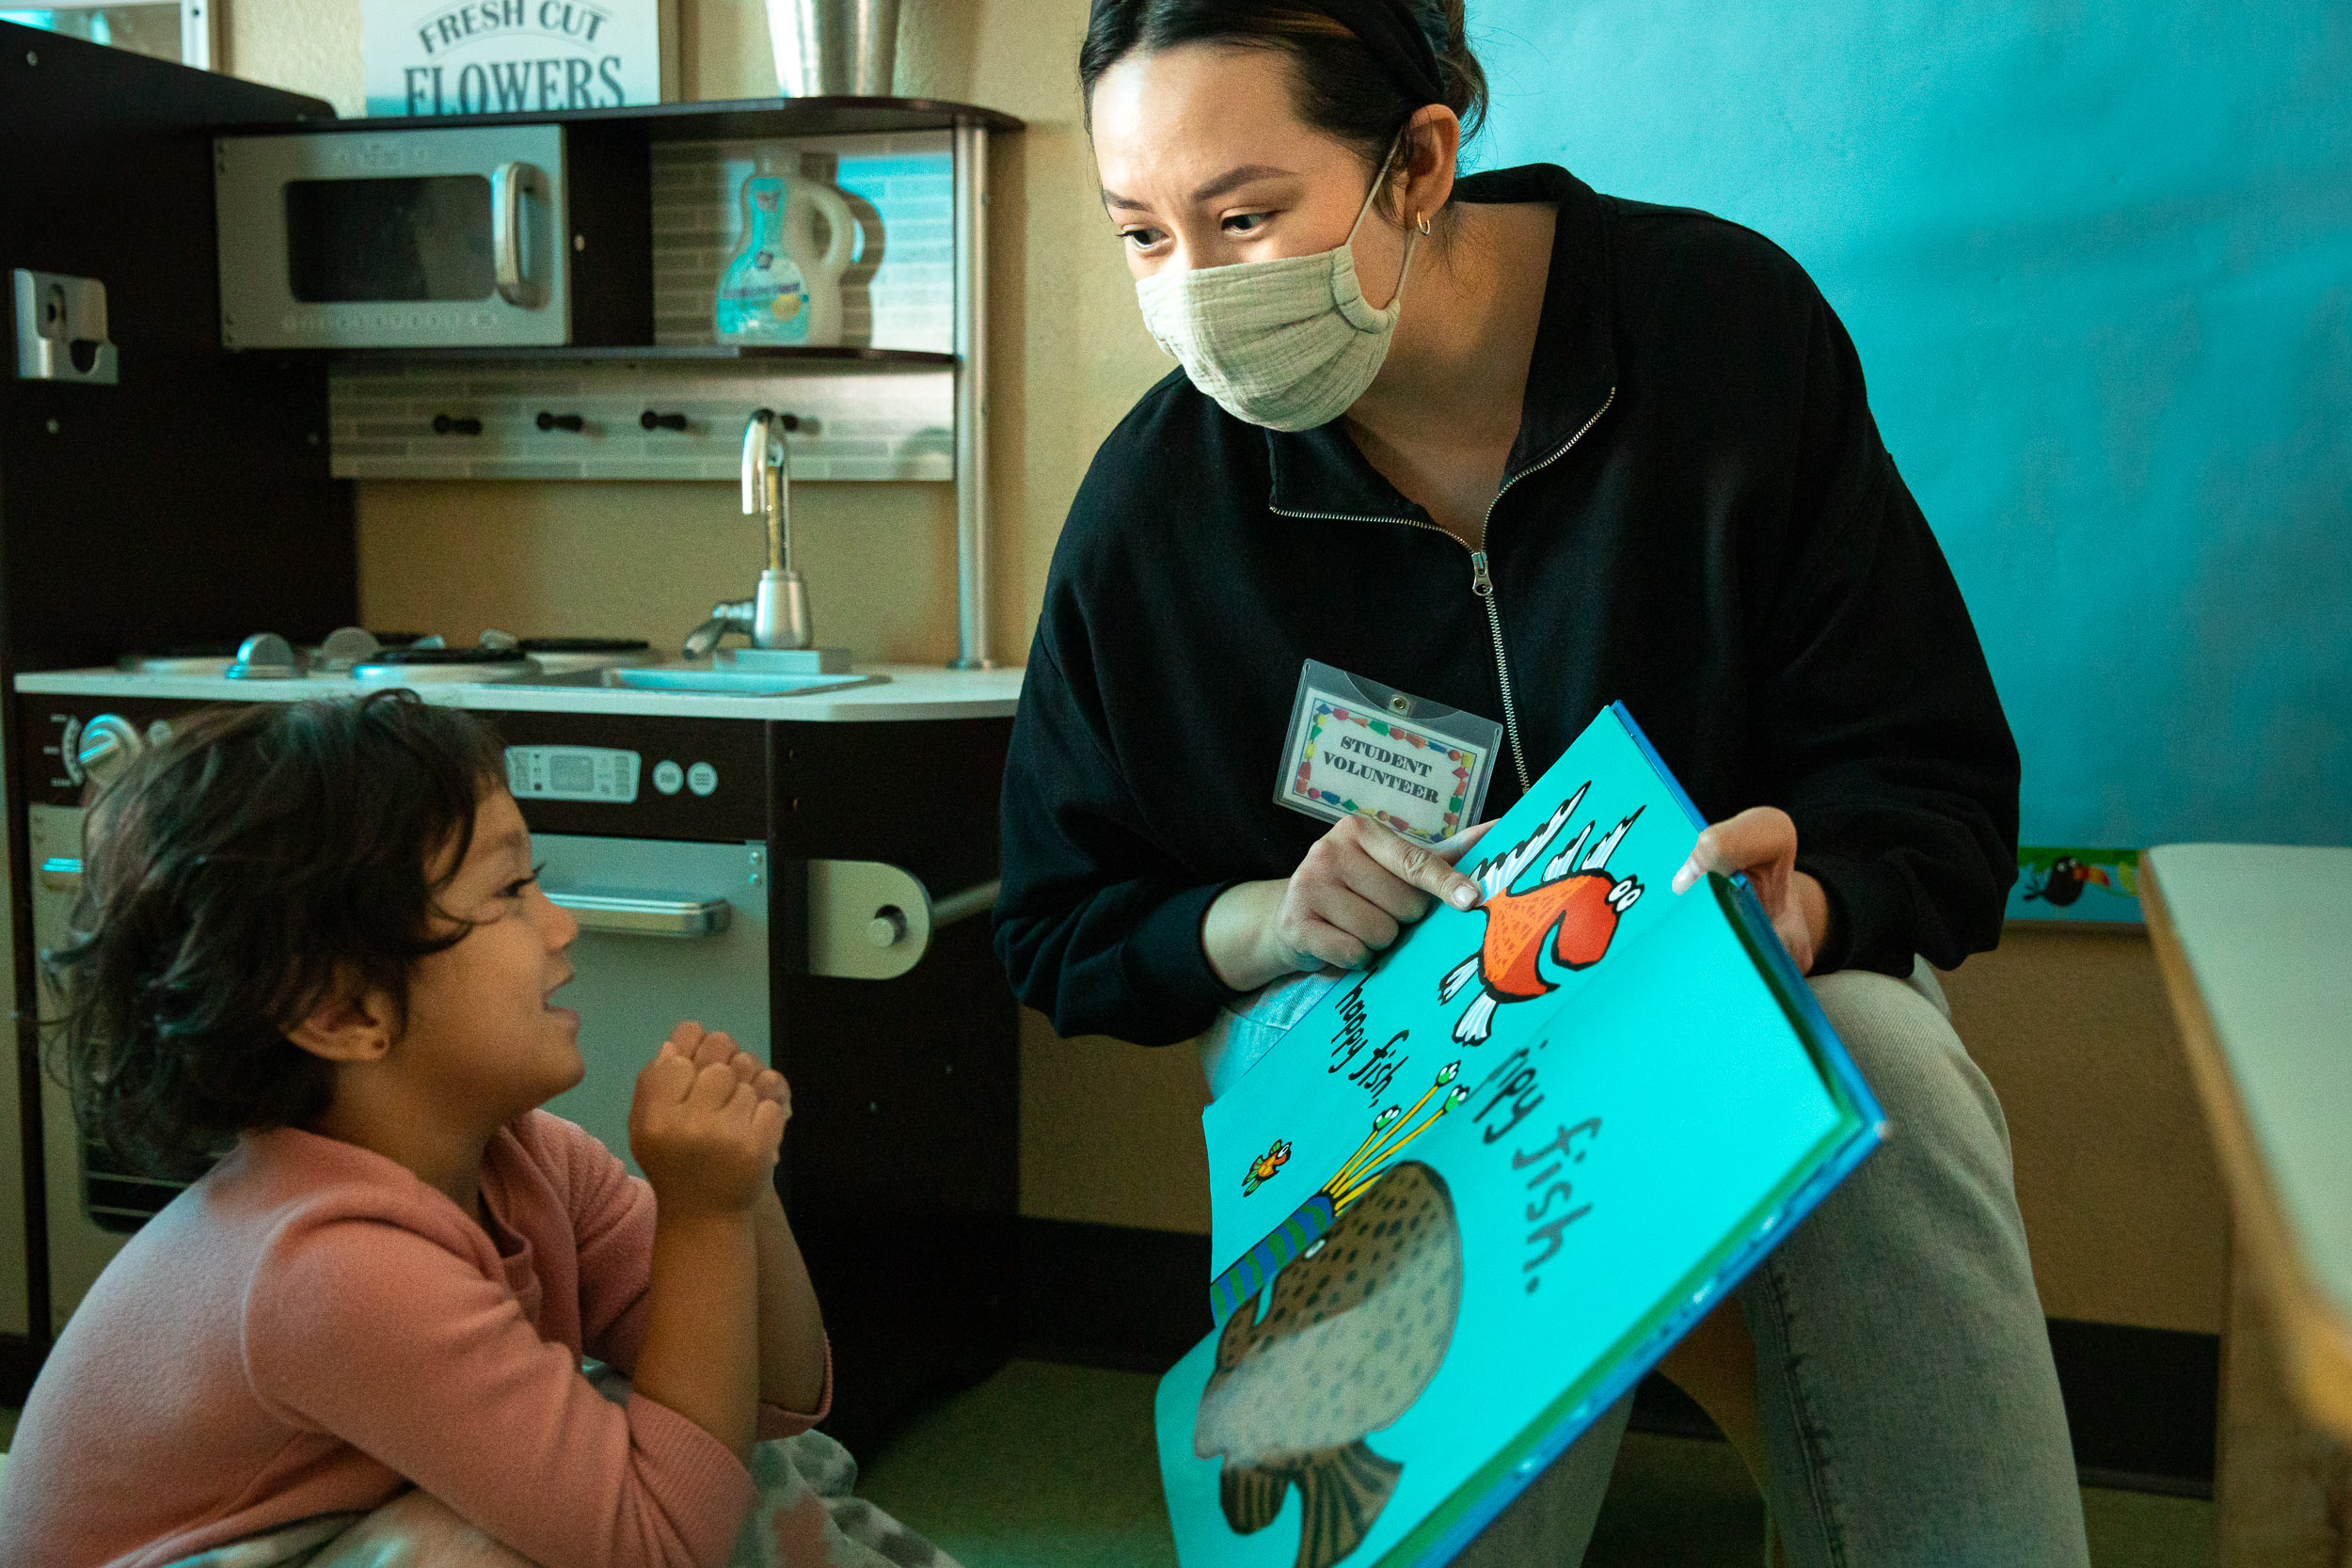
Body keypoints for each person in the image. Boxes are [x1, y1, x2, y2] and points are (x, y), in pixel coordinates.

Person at [993, 0, 2092, 1562]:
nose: (1196, 295)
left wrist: (1822, 890)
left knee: (1889, 1063)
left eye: (1245, 218)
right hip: (1365, 1018)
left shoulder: (1719, 334)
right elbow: (1061, 914)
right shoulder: (1159, 510)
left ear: (1420, 161)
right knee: (1433, 1194)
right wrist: (1270, 918)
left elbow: (1931, 770)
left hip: (1697, 976)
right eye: (1143, 236)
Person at [0, 692, 957, 1568]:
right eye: (508, 892)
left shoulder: (531, 1157)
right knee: (476, 1548)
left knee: (703, 1440)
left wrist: (740, 1192)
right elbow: (658, 1546)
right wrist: (701, 1215)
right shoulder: (330, 1266)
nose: (560, 923)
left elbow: (769, 1397)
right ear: (343, 1011)